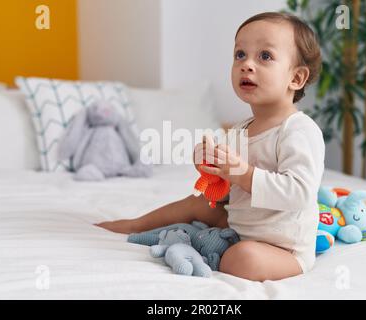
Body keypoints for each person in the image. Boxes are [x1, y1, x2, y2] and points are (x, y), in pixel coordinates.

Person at [96, 12, 325, 282]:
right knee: (201, 203)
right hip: (242, 227)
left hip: (283, 248)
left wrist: (244, 174)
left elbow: (299, 193)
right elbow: (226, 189)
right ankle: (136, 225)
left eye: (265, 56)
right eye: (240, 54)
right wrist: (210, 164)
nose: (247, 64)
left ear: (296, 78)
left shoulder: (298, 129)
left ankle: (217, 245)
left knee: (241, 259)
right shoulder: (241, 129)